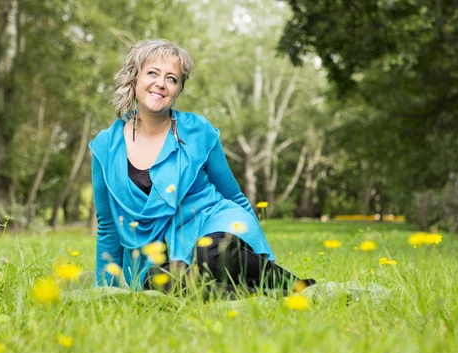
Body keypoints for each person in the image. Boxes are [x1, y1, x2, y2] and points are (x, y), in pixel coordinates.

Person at [90, 39, 314, 297]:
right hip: (155, 252)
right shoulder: (105, 147)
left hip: (211, 223)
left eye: (172, 78)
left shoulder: (198, 131)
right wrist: (104, 289)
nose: (161, 83)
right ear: (134, 78)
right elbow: (108, 224)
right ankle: (261, 295)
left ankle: (295, 286)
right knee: (157, 281)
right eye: (152, 73)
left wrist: (260, 250)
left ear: (177, 90)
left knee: (209, 255)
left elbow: (234, 196)